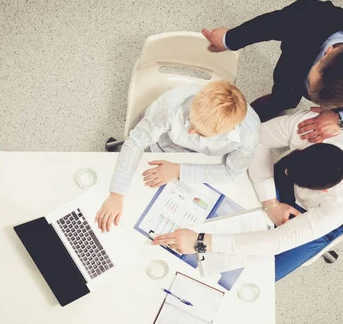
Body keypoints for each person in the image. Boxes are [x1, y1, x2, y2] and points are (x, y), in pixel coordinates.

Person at [150, 110, 343, 281]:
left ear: (323, 191)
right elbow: (256, 140)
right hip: (284, 186)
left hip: (318, 217)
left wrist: (201, 242)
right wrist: (270, 203)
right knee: (228, 197)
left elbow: (278, 241)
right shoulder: (311, 128)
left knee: (256, 276)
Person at [202, 0, 343, 142]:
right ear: (327, 53)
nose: (314, 102)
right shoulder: (308, 15)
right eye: (311, 84)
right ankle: (281, 100)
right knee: (284, 96)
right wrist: (229, 39)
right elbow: (271, 24)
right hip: (294, 65)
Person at [95, 80, 260, 233]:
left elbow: (232, 173)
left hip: (199, 163)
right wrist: (117, 193)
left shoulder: (249, 133)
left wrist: (179, 170)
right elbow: (136, 142)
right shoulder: (170, 106)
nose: (190, 131)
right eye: (190, 119)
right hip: (160, 145)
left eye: (200, 132)